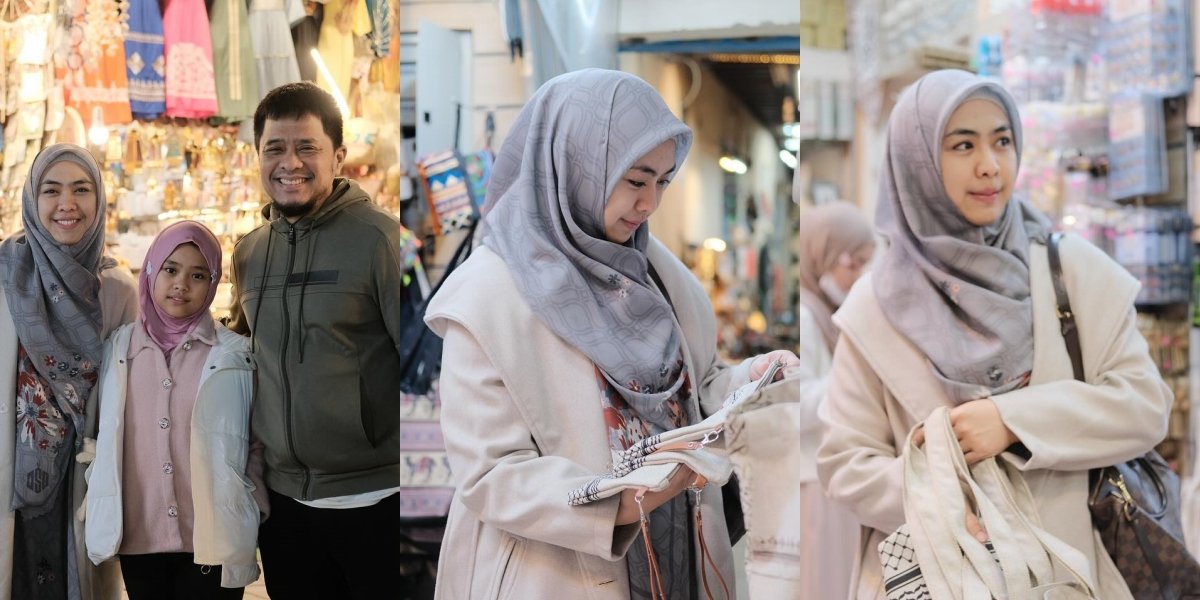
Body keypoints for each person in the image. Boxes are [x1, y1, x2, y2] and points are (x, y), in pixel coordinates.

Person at [425, 68, 797, 599]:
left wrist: (749, 381)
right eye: (635, 179)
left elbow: (691, 392)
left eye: (663, 182)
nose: (649, 205)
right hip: (554, 575)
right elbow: (491, 475)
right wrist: (621, 501)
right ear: (575, 165)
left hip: (679, 561)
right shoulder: (488, 297)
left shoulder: (656, 277)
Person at [816, 68, 1171, 599]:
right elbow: (846, 464)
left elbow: (1144, 405)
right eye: (962, 145)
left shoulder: (1070, 272)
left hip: (1070, 576)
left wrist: (1012, 420)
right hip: (941, 578)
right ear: (918, 164)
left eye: (1002, 140)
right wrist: (942, 498)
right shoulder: (876, 308)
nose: (990, 166)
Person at [226, 81, 406, 599]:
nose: (291, 163)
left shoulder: (380, 241)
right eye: (275, 149)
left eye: (308, 147)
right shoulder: (250, 254)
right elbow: (246, 355)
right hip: (286, 507)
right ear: (257, 156)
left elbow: (422, 369)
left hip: (375, 499)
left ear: (338, 156)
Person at [85, 221, 266, 599]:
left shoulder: (233, 354)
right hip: (139, 536)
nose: (181, 284)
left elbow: (256, 437)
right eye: (170, 269)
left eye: (198, 274)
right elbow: (102, 433)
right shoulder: (118, 349)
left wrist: (252, 501)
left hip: (210, 537)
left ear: (214, 283)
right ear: (150, 270)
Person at [0, 143, 137, 600]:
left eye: (82, 190)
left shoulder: (117, 289)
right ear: (32, 200)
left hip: (86, 477)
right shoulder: (6, 275)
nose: (67, 204)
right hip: (10, 474)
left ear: (99, 201)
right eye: (51, 190)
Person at [794, 200, 874, 598]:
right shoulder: (807, 316)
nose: (857, 275)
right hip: (812, 478)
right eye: (851, 262)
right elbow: (797, 404)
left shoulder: (827, 311)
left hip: (832, 475)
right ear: (822, 254)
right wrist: (856, 383)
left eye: (865, 264)